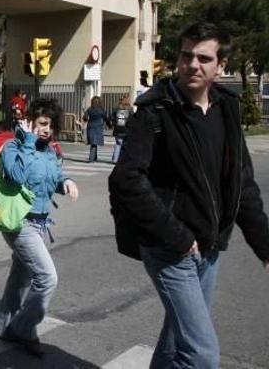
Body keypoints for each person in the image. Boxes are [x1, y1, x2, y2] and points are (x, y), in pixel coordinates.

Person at [108, 21, 269, 368]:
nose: (193, 64)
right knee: (201, 354)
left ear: (220, 66)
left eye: (203, 58)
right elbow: (126, 180)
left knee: (174, 342)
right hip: (171, 248)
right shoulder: (155, 110)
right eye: (186, 56)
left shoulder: (226, 109)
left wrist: (263, 243)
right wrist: (177, 236)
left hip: (209, 246)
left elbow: (241, 182)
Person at [0, 98, 79, 357]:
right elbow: (18, 176)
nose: (46, 129)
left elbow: (52, 178)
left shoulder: (50, 151)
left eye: (50, 125)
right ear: (29, 122)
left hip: (41, 222)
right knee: (47, 277)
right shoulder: (13, 147)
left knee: (22, 275)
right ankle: (24, 328)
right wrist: (28, 141)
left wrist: (65, 182)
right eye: (42, 123)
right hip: (19, 223)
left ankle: (5, 326)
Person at [82, 96, 107, 163]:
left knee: (93, 143)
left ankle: (94, 157)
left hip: (90, 127)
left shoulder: (89, 109)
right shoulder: (101, 109)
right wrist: (109, 124)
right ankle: (91, 158)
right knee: (94, 143)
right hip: (98, 127)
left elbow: (85, 118)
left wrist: (86, 118)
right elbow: (105, 117)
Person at [109, 95, 132, 164]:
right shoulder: (130, 109)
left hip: (118, 129)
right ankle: (123, 160)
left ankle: (115, 159)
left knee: (118, 144)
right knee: (126, 145)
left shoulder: (116, 109)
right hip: (127, 129)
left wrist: (112, 124)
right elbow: (133, 119)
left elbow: (111, 118)